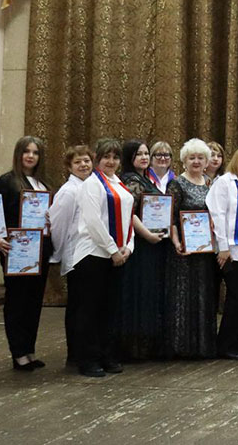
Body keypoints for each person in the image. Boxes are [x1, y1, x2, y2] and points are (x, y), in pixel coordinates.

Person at [72, 138, 135, 377]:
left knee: (110, 309)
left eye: (115, 157)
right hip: (93, 254)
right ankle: (88, 359)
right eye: (106, 157)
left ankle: (107, 354)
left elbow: (128, 219)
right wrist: (112, 250)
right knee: (90, 310)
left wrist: (128, 247)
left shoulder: (119, 183)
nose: (111, 161)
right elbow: (93, 221)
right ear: (97, 159)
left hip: (117, 255)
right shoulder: (91, 184)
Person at [0, 136, 53, 371]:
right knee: (17, 301)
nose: (30, 156)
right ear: (18, 154)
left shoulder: (44, 184)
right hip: (16, 250)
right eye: (26, 151)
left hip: (41, 249)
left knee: (34, 301)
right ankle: (18, 352)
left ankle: (29, 349)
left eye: (35, 152)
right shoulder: (7, 181)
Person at [165, 139, 218, 359]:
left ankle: (202, 346)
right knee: (184, 296)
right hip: (184, 252)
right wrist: (177, 242)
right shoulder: (176, 184)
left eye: (200, 158)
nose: (196, 161)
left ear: (206, 161)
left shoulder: (210, 183)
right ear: (184, 161)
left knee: (203, 295)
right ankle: (182, 346)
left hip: (205, 251)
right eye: (191, 158)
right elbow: (170, 218)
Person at [117, 139, 170, 361]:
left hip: (152, 244)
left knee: (148, 291)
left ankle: (144, 344)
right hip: (139, 245)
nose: (144, 157)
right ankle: (133, 346)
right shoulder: (131, 180)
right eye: (139, 154)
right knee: (139, 292)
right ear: (129, 157)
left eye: (147, 153)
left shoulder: (144, 178)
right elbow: (129, 213)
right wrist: (147, 234)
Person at [207, 143, 238, 360]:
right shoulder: (224, 182)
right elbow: (217, 215)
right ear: (237, 159)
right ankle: (225, 345)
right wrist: (223, 247)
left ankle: (231, 342)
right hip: (227, 250)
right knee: (235, 296)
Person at [48, 145, 94, 365]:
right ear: (69, 167)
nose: (83, 165)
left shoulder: (92, 187)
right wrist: (58, 254)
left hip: (91, 255)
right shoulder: (69, 191)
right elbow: (58, 225)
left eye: (86, 161)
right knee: (78, 307)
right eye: (77, 162)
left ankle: (82, 350)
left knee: (86, 305)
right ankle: (75, 354)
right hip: (76, 256)